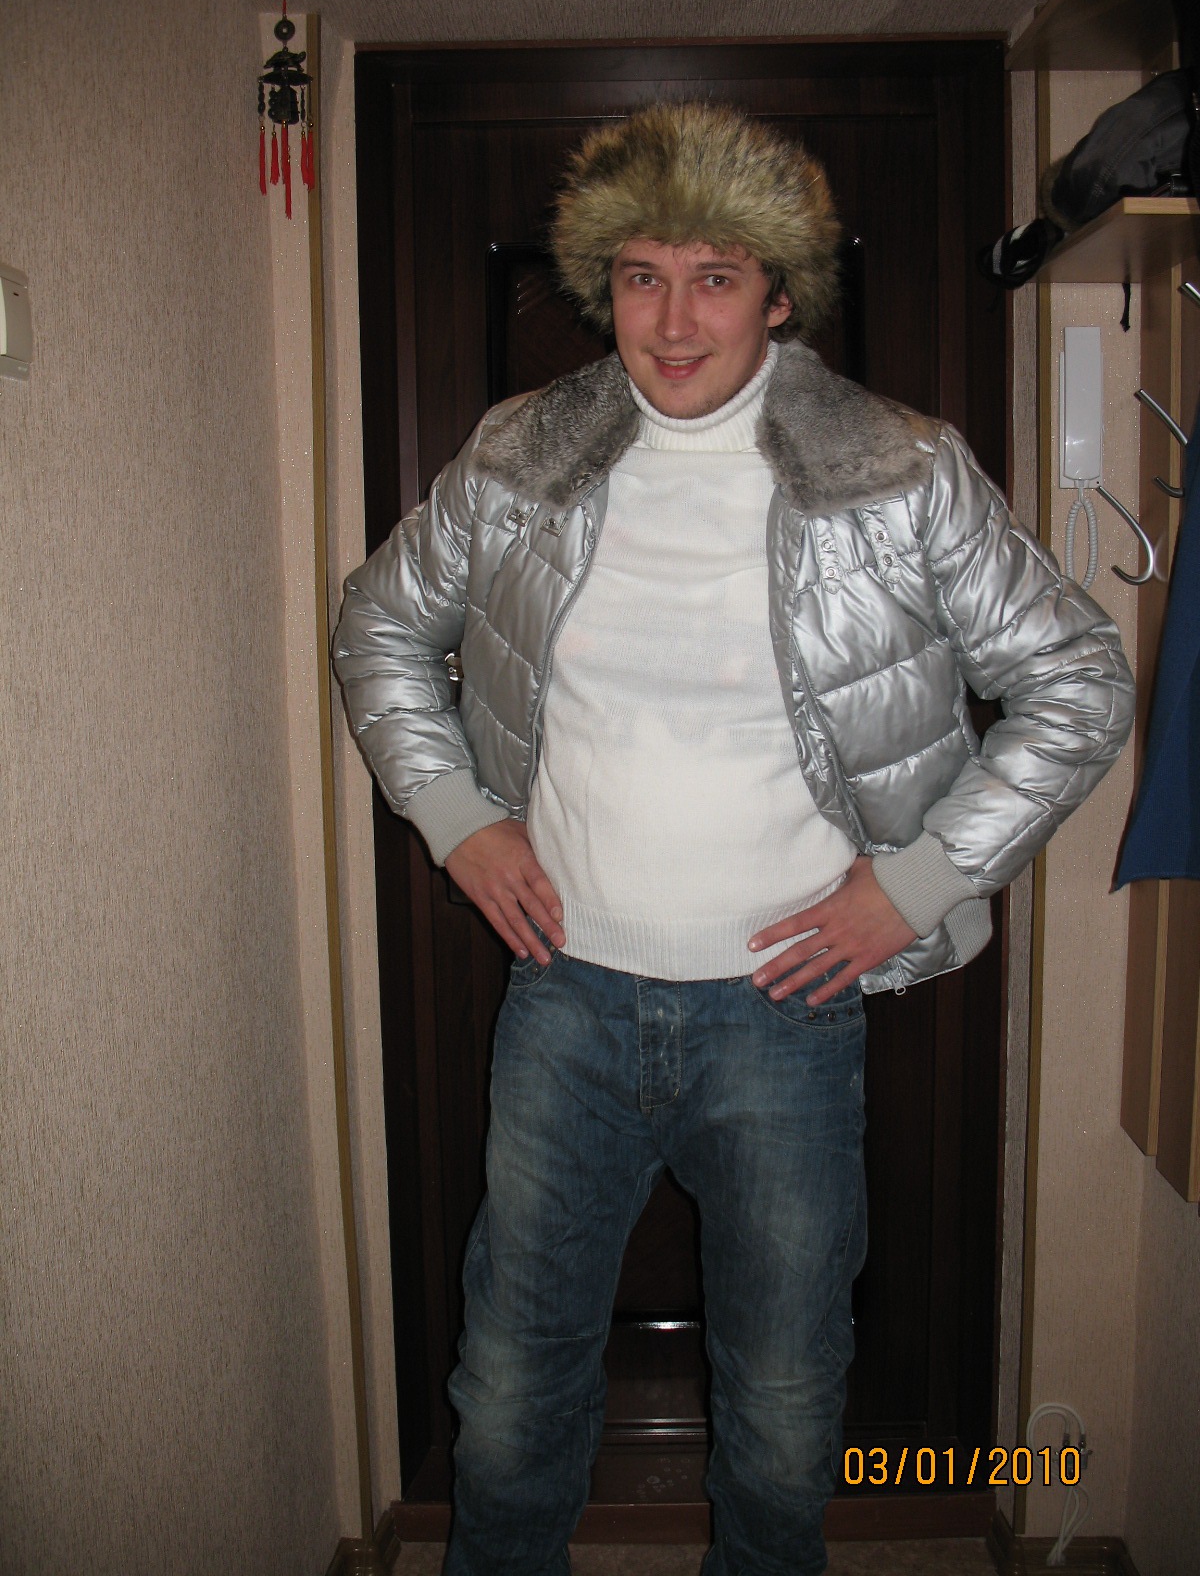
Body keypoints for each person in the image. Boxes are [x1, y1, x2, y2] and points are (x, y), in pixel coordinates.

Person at [333, 101, 1133, 1576]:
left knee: (781, 1405)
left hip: (786, 1015)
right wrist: (458, 822)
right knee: (506, 1396)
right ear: (606, 288)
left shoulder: (899, 471)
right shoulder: (520, 455)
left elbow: (1079, 679)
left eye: (716, 277)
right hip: (564, 999)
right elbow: (381, 625)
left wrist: (921, 882)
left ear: (779, 293)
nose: (674, 318)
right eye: (643, 275)